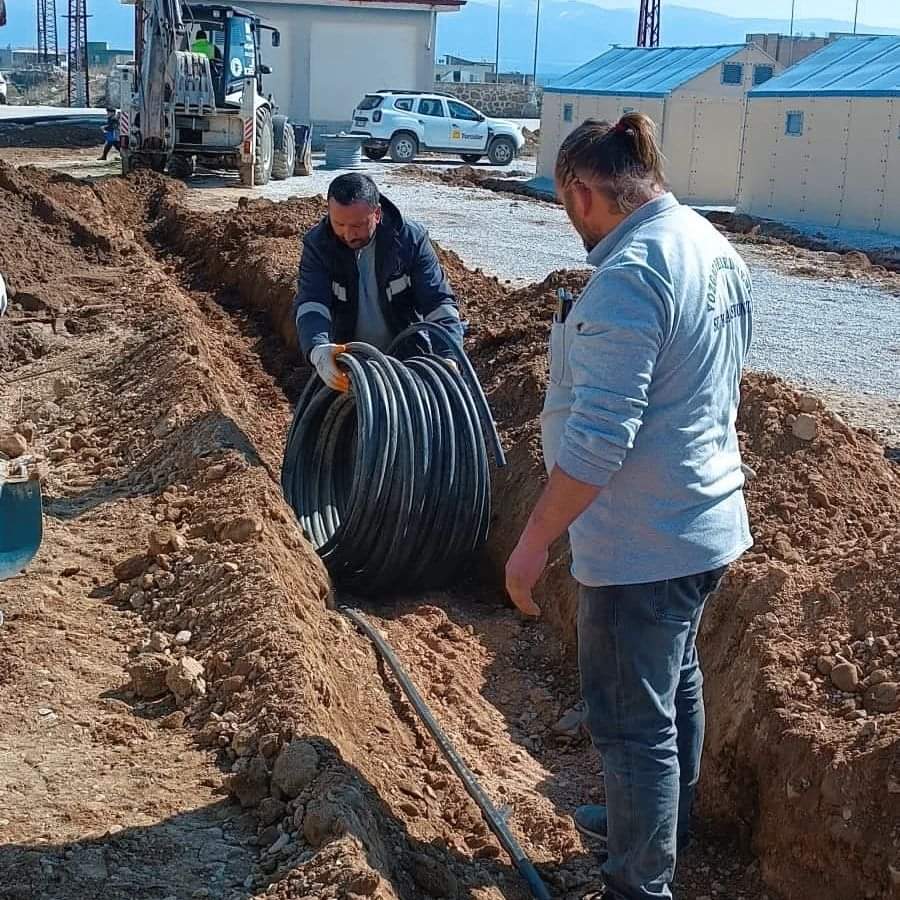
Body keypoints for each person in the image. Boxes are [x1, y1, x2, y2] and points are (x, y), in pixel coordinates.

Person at [504, 113, 753, 900]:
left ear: (583, 193)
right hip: (704, 521)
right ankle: (657, 829)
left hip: (643, 544)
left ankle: (639, 883)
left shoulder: (631, 275)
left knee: (631, 724)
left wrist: (533, 541)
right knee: (676, 689)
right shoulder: (711, 246)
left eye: (564, 206)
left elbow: (599, 440)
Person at [293, 173, 464, 390]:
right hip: (347, 363)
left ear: (377, 214)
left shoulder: (410, 241)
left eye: (358, 225)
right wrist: (318, 348)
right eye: (339, 224)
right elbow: (312, 303)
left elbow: (437, 302)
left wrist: (448, 357)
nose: (348, 234)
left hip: (406, 360)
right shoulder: (319, 246)